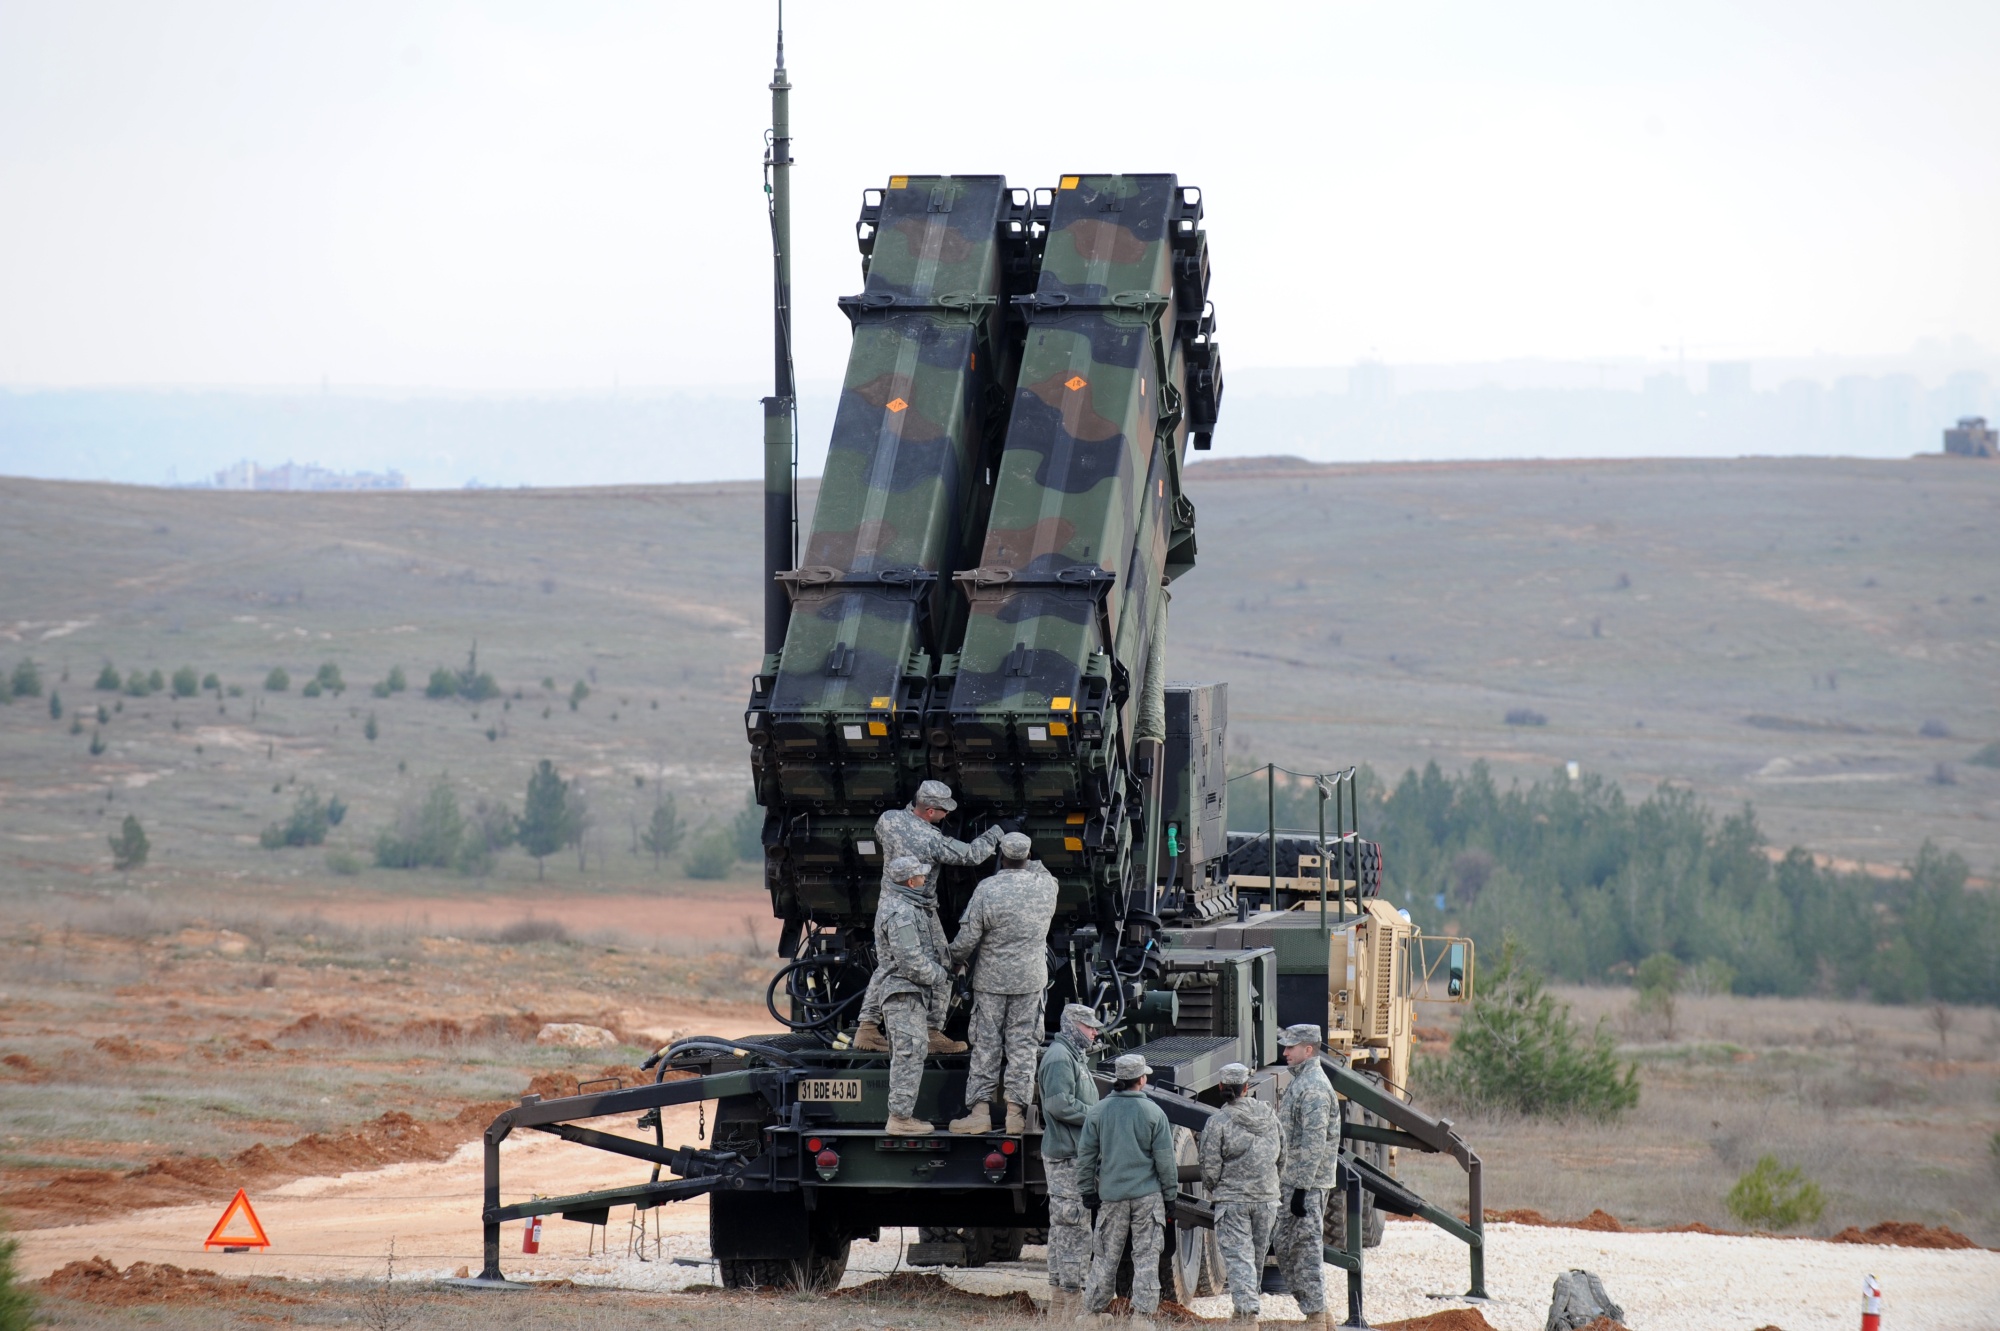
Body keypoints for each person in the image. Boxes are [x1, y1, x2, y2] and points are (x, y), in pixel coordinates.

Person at [852, 779, 1004, 1055]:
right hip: (919, 908)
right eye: (944, 811)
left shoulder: (888, 820)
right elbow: (971, 855)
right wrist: (995, 833)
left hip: (888, 902)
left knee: (887, 964)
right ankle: (932, 1030)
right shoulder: (931, 839)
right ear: (931, 811)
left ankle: (867, 1028)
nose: (947, 816)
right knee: (944, 964)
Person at [947, 831, 1059, 1136]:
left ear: (1002, 857)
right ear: (1027, 856)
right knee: (1023, 1047)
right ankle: (1014, 1115)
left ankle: (980, 1113)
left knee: (986, 1045)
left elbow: (967, 938)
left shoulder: (988, 888)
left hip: (991, 983)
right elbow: (1040, 869)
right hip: (1030, 981)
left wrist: (954, 959)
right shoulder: (1046, 887)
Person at [1077, 1052, 1178, 1326]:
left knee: (1105, 1256)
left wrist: (1087, 1190)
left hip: (1112, 1196)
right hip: (1148, 1198)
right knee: (1146, 1257)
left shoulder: (1098, 1112)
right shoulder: (1153, 1113)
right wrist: (1170, 1196)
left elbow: (1085, 1156)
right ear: (1142, 1080)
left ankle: (1091, 1314)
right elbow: (1166, 1161)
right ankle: (1142, 1318)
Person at [875, 856, 954, 1135]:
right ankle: (899, 1118)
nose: (924, 879)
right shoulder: (901, 913)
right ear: (911, 882)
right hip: (902, 991)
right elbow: (910, 962)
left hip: (908, 991)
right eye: (921, 876)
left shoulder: (908, 906)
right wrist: (940, 975)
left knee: (910, 1049)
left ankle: (901, 1115)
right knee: (910, 1051)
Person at [1198, 1062, 1282, 1322]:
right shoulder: (1269, 1116)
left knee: (1239, 1259)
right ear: (1247, 1087)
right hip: (1267, 1199)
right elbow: (1283, 1154)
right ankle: (1244, 1310)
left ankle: (1246, 1316)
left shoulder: (1217, 1122)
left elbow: (1209, 1167)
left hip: (1233, 1201)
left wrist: (1215, 1188)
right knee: (1255, 1258)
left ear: (1222, 1088)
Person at [1037, 1003, 1101, 1319]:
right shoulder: (1060, 1059)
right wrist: (1098, 1116)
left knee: (1064, 1228)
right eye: (1089, 1026)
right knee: (1074, 1228)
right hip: (1067, 1159)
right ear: (1073, 1025)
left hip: (1071, 1154)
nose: (1095, 1032)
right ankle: (1072, 1305)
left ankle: (1061, 1305)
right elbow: (1060, 1105)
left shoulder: (1070, 1056)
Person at [1273, 1024, 1339, 1329]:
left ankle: (1316, 1316)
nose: (1285, 1052)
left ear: (1308, 1050)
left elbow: (1314, 1143)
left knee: (1306, 1248)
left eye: (1290, 1047)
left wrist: (1301, 1189)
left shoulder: (1313, 1088)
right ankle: (1318, 1312)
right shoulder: (1302, 1082)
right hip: (1294, 1180)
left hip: (1307, 1184)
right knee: (1286, 1247)